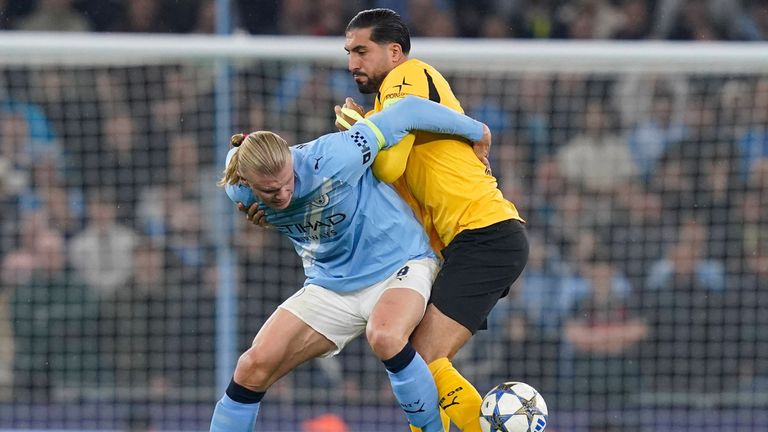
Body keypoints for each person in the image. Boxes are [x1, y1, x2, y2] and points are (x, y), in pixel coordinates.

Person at [209, 95, 492, 432]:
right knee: (251, 367)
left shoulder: (335, 156)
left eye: (288, 182)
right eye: (271, 192)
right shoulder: (238, 191)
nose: (284, 195)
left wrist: (477, 130)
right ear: (248, 184)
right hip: (330, 284)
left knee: (385, 336)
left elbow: (408, 111)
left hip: (400, 263)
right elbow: (236, 155)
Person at [338, 9, 529, 432]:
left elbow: (388, 166)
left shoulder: (407, 76)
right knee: (417, 359)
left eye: (361, 51)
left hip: (484, 232)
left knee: (417, 359)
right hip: (467, 242)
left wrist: (362, 130)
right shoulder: (385, 104)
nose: (353, 62)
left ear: (394, 52)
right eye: (349, 52)